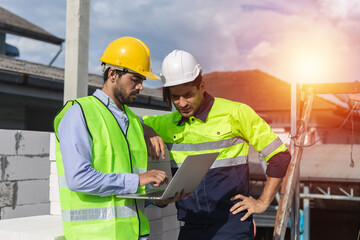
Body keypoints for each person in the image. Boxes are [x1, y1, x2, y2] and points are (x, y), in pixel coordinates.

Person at [143, 50, 291, 239]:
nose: (182, 103)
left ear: (202, 86)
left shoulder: (236, 113)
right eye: (175, 98)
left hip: (231, 223)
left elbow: (280, 156)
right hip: (191, 224)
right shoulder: (164, 124)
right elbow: (129, 122)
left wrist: (262, 202)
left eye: (188, 95)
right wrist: (146, 129)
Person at [53, 37, 184, 240]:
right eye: (135, 79)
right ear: (113, 74)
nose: (141, 87)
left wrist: (157, 199)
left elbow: (127, 193)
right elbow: (78, 179)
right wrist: (139, 179)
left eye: (142, 81)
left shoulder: (133, 121)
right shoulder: (79, 112)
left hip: (135, 235)